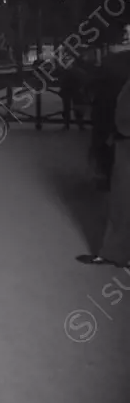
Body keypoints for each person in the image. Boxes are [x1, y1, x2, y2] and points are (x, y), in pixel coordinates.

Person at [77, 76, 130, 268]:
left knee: (124, 198)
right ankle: (114, 253)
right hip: (124, 141)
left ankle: (116, 254)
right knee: (122, 199)